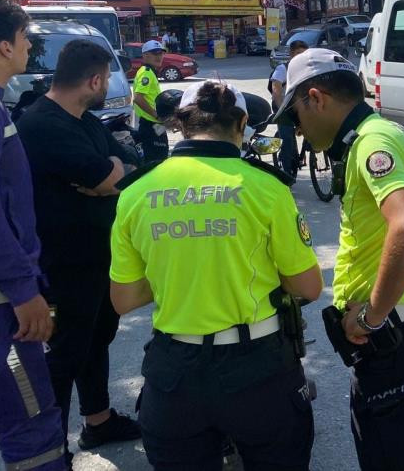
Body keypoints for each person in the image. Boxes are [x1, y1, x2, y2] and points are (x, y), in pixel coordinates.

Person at [109, 80, 323, 470]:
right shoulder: (267, 188)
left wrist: (180, 272)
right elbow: (308, 286)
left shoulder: (135, 192)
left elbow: (122, 299)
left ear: (181, 124)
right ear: (242, 123)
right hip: (258, 369)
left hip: (174, 373)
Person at [274, 50, 404, 471]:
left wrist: (372, 316)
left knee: (389, 456)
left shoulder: (371, 143)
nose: (296, 129)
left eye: (295, 116)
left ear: (315, 98)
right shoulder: (389, 130)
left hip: (393, 334)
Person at [17, 40, 141, 464]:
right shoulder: (44, 124)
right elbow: (105, 173)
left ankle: (99, 421)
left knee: (96, 341)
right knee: (65, 354)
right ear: (95, 80)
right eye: (107, 78)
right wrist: (108, 173)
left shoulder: (84, 119)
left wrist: (110, 173)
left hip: (98, 258)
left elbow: (126, 167)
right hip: (64, 264)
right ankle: (53, 450)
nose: (107, 84)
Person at [0, 0, 68, 471]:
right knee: (32, 430)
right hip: (6, 306)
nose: (28, 49)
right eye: (24, 39)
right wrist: (23, 290)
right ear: (5, 46)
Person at [269, 39, 309, 180]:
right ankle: (286, 176)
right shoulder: (282, 69)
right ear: (291, 54)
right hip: (283, 106)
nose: (301, 56)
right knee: (287, 140)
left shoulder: (308, 69)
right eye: (298, 53)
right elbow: (276, 91)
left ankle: (306, 153)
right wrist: (282, 110)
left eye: (304, 53)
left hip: (300, 106)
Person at [133, 40, 169, 163]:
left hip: (154, 124)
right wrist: (156, 115)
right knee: (157, 161)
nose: (159, 57)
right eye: (155, 53)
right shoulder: (147, 73)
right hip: (151, 124)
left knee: (157, 157)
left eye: (161, 53)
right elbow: (138, 98)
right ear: (145, 55)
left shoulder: (149, 71)